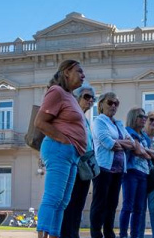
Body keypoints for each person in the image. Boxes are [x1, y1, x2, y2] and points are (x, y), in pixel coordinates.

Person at [34, 60, 88, 238]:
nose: (83, 75)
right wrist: (65, 140)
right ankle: (42, 235)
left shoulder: (70, 96)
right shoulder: (56, 91)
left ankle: (55, 235)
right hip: (59, 149)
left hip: (72, 154)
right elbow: (40, 122)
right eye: (79, 71)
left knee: (63, 202)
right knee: (53, 197)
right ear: (66, 72)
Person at [90, 92, 137, 238]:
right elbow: (109, 143)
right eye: (110, 102)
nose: (113, 106)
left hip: (118, 170)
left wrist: (120, 143)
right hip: (103, 168)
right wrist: (122, 143)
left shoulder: (118, 124)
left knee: (112, 204)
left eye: (116, 103)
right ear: (101, 104)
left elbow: (133, 143)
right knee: (100, 203)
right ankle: (96, 233)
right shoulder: (99, 121)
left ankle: (109, 232)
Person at [61, 85, 98, 238]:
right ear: (77, 97)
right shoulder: (72, 114)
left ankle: (73, 234)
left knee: (79, 204)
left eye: (92, 99)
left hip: (85, 165)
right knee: (70, 203)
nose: (90, 101)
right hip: (74, 163)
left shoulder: (86, 119)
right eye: (87, 97)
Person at [120, 107, 154, 238]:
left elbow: (147, 152)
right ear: (134, 118)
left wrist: (147, 152)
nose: (144, 119)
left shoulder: (144, 136)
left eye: (145, 116)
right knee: (128, 206)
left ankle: (135, 235)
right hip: (131, 171)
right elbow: (138, 151)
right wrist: (148, 152)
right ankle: (123, 234)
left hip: (144, 173)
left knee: (139, 209)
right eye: (141, 116)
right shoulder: (128, 132)